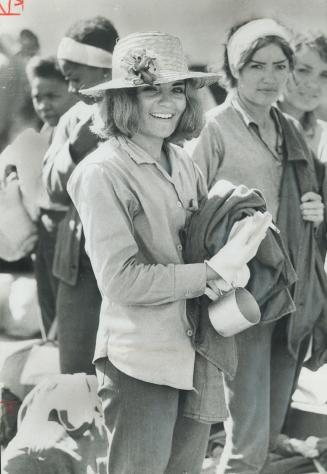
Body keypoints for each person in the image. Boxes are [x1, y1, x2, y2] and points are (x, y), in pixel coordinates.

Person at [67, 31, 272, 474]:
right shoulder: (101, 173)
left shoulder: (182, 161)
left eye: (176, 88)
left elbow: (200, 244)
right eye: (149, 89)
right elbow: (121, 280)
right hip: (139, 362)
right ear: (122, 97)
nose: (168, 101)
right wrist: (210, 270)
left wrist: (236, 248)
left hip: (196, 354)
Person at [189, 18, 327, 473]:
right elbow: (187, 215)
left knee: (266, 440)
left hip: (289, 297)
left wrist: (313, 209)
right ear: (234, 70)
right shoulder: (213, 129)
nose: (269, 77)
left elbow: (303, 197)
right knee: (246, 443)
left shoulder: (289, 129)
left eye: (280, 66)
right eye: (256, 66)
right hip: (241, 298)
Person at [42, 17, 119, 373]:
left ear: (104, 69)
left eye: (75, 79)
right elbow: (52, 189)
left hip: (128, 263)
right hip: (78, 266)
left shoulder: (139, 112)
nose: (72, 90)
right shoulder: (72, 120)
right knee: (76, 373)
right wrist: (74, 150)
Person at [26, 56, 77, 333]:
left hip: (69, 226)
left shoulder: (77, 129)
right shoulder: (44, 132)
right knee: (48, 307)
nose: (44, 104)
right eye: (38, 97)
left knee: (68, 316)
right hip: (45, 229)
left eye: (52, 96)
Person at [278, 33, 327, 163]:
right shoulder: (252, 126)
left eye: (324, 75)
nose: (313, 84)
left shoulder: (324, 137)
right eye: (303, 70)